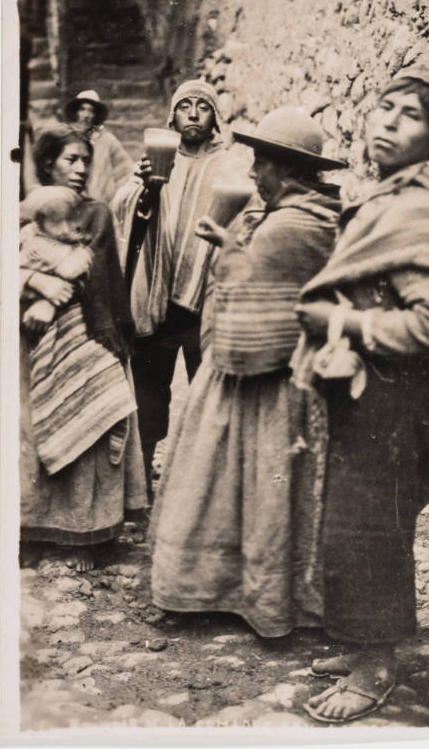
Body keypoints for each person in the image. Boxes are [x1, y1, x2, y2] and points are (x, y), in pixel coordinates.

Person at [292, 67, 429, 723]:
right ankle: (357, 643)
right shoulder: (385, 195)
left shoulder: (419, 207)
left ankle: (376, 664)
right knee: (350, 525)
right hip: (367, 393)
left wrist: (342, 323)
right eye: (383, 107)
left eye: (409, 116)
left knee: (373, 529)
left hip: (396, 400)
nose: (388, 121)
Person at [148, 107, 344, 637]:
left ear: (285, 169)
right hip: (291, 376)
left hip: (265, 376)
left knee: (242, 481)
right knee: (270, 487)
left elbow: (245, 307)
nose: (254, 174)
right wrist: (234, 244)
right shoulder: (317, 217)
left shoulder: (286, 229)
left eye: (261, 163)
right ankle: (259, 591)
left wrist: (228, 251)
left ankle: (238, 593)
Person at [20, 126, 147, 572]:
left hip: (90, 329)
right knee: (41, 425)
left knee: (93, 420)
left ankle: (89, 531)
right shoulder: (24, 213)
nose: (79, 168)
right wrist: (36, 284)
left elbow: (106, 278)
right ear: (48, 161)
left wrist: (113, 334)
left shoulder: (95, 212)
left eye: (84, 161)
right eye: (70, 159)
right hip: (35, 334)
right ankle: (36, 529)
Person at [112, 79, 247, 494]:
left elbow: (245, 216)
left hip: (206, 299)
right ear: (172, 116)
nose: (192, 114)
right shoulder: (154, 162)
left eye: (202, 107)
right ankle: (141, 489)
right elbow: (123, 210)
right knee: (151, 396)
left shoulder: (231, 165)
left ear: (214, 118)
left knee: (211, 397)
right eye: (184, 106)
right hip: (157, 298)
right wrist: (143, 192)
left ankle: (208, 491)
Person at [64, 90, 134, 205]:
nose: (86, 115)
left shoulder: (108, 140)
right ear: (76, 112)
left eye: (91, 111)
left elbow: (126, 171)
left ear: (95, 115)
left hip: (99, 200)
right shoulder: (68, 138)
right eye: (82, 109)